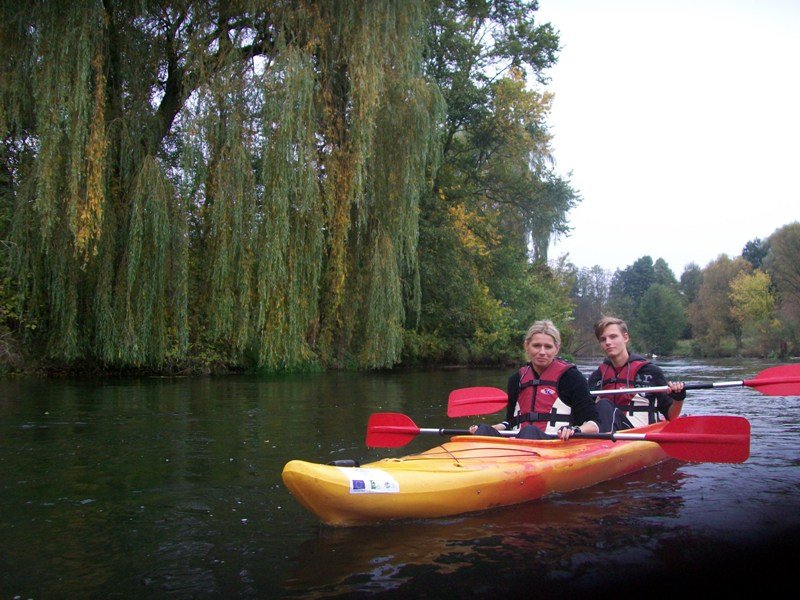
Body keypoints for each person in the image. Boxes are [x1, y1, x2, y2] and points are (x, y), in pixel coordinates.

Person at [470, 320, 599, 441]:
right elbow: (511, 421)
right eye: (536, 346)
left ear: (557, 348)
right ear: (526, 346)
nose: (542, 352)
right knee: (483, 430)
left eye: (548, 347)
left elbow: (594, 424)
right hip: (518, 444)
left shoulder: (572, 378)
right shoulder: (516, 379)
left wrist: (575, 429)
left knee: (529, 431)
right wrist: (493, 428)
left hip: (557, 444)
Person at [589, 316, 685, 432]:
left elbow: (671, 416)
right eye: (603, 339)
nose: (608, 342)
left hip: (640, 434)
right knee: (602, 406)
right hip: (606, 435)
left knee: (603, 405)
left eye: (613, 337)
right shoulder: (597, 376)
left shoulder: (651, 372)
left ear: (625, 338)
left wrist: (678, 399)